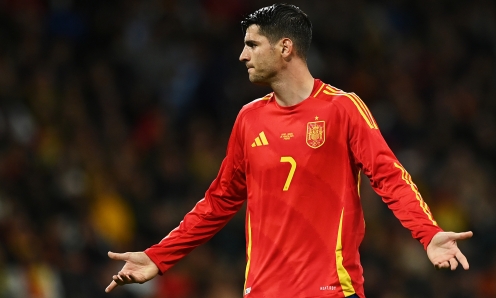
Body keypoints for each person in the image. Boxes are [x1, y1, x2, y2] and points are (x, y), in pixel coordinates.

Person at [105, 4, 473, 298]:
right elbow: (218, 202)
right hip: (262, 292)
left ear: (285, 47)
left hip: (331, 290)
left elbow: (389, 176)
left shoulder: (341, 108)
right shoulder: (248, 119)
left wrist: (428, 233)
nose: (241, 56)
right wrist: (158, 256)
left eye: (252, 45)